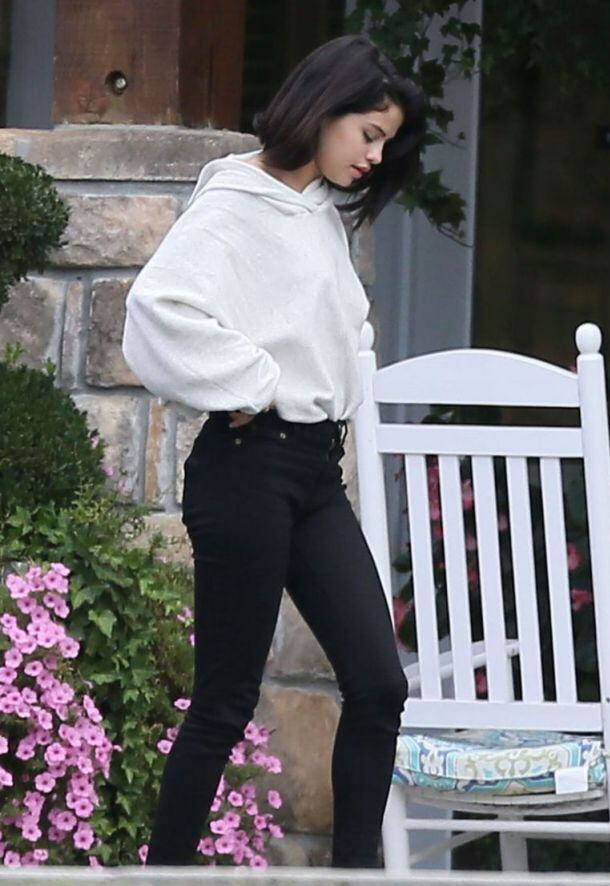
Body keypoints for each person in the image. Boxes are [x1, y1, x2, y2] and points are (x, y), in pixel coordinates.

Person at [122, 33, 427, 869]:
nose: (375, 155)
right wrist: (253, 379)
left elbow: (328, 327)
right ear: (324, 109)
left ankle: (354, 877)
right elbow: (157, 308)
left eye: (386, 142)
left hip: (315, 474)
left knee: (380, 684)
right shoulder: (235, 201)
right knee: (225, 700)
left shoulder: (317, 211)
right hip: (247, 469)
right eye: (369, 133)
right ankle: (167, 875)